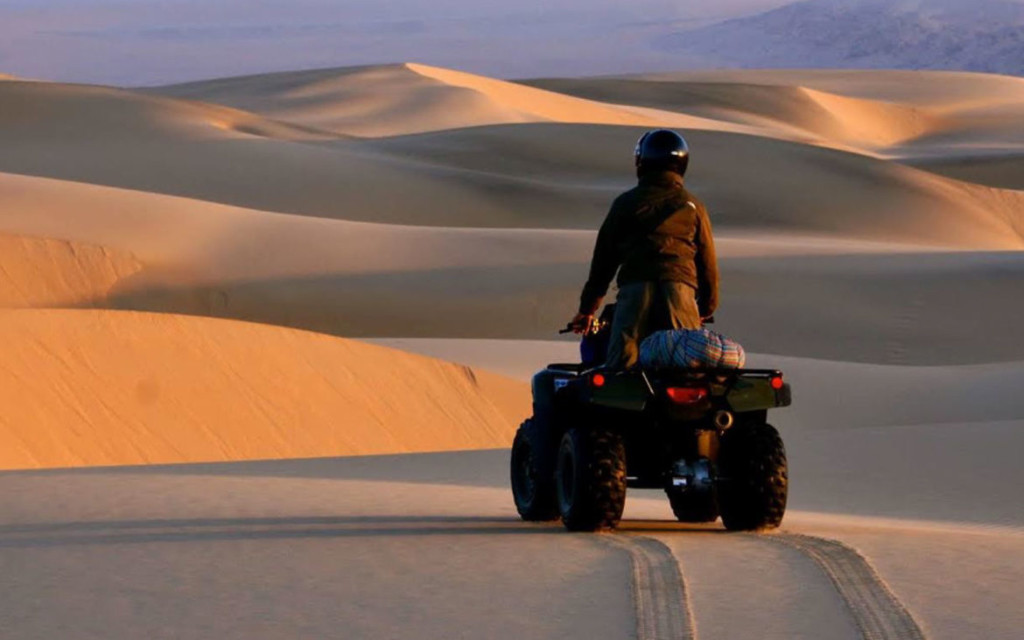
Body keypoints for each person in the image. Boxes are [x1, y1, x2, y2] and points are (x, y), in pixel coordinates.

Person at [570, 129, 719, 369]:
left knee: (622, 369)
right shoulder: (693, 206)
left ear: (642, 161)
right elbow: (708, 263)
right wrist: (705, 308)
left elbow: (603, 262)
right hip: (680, 294)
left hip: (635, 295)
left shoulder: (625, 203)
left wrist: (587, 310)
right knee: (684, 369)